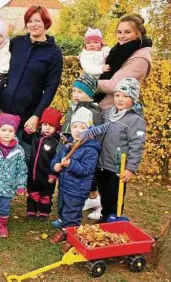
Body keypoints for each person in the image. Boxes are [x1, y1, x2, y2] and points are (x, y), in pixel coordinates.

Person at [0, 6, 63, 162]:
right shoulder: (16, 43)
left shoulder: (54, 53)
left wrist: (37, 115)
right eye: (29, 21)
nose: (33, 24)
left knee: (21, 159)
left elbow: (51, 88)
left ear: (46, 22)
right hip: (2, 111)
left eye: (37, 20)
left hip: (27, 117)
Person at [96, 78, 146, 221]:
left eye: (125, 96)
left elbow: (137, 146)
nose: (120, 99)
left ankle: (114, 220)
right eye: (117, 95)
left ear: (134, 98)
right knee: (104, 194)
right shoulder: (106, 113)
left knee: (115, 197)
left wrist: (130, 168)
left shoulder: (135, 120)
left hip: (118, 167)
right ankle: (105, 216)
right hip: (102, 164)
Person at [49, 107, 101, 243]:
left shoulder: (91, 150)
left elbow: (86, 170)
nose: (78, 130)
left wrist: (70, 164)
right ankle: (63, 222)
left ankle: (69, 234)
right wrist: (55, 165)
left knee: (71, 212)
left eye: (82, 127)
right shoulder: (68, 144)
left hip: (78, 189)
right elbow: (57, 157)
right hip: (65, 185)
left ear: (89, 130)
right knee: (62, 207)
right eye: (75, 126)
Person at [61, 73, 103, 220]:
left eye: (80, 92)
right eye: (74, 91)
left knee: (87, 179)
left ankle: (97, 203)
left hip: (85, 150)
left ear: (90, 93)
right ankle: (90, 200)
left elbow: (95, 133)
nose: (76, 95)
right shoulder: (74, 107)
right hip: (72, 145)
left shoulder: (93, 111)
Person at [97, 14, 152, 112]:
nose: (122, 36)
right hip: (104, 105)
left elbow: (115, 85)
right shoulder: (120, 51)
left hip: (114, 111)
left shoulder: (140, 58)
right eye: (119, 32)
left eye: (127, 32)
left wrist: (89, 83)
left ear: (138, 33)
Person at [25, 107, 62, 221]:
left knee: (45, 194)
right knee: (32, 192)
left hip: (46, 175)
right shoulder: (36, 137)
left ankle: (44, 212)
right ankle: (31, 209)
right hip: (33, 172)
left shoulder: (56, 142)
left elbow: (57, 159)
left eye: (51, 126)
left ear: (56, 128)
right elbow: (26, 139)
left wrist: (54, 174)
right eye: (45, 124)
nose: (47, 127)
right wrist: (27, 132)